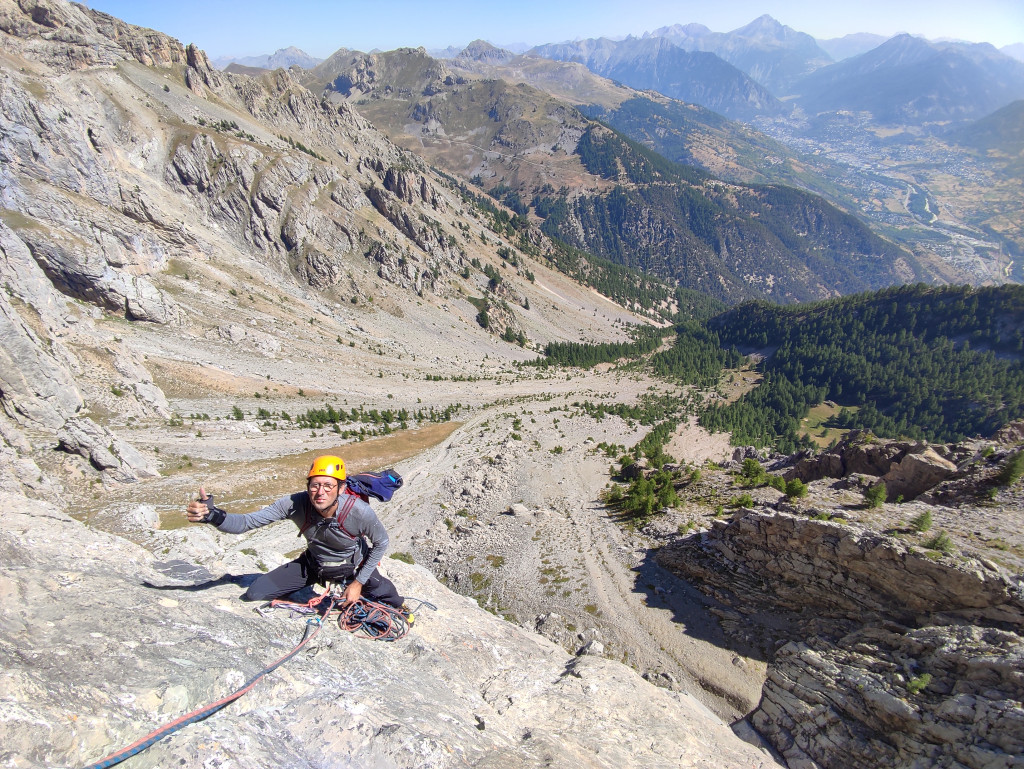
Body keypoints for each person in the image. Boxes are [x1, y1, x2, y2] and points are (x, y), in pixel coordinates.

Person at [185, 455, 404, 609]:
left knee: (391, 598)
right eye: (314, 485)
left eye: (328, 486)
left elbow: (381, 542)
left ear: (341, 488)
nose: (320, 492)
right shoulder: (295, 503)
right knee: (255, 593)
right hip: (313, 565)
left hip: (351, 568)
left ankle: (400, 609)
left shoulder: (358, 511)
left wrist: (358, 583)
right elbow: (246, 523)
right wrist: (213, 516)